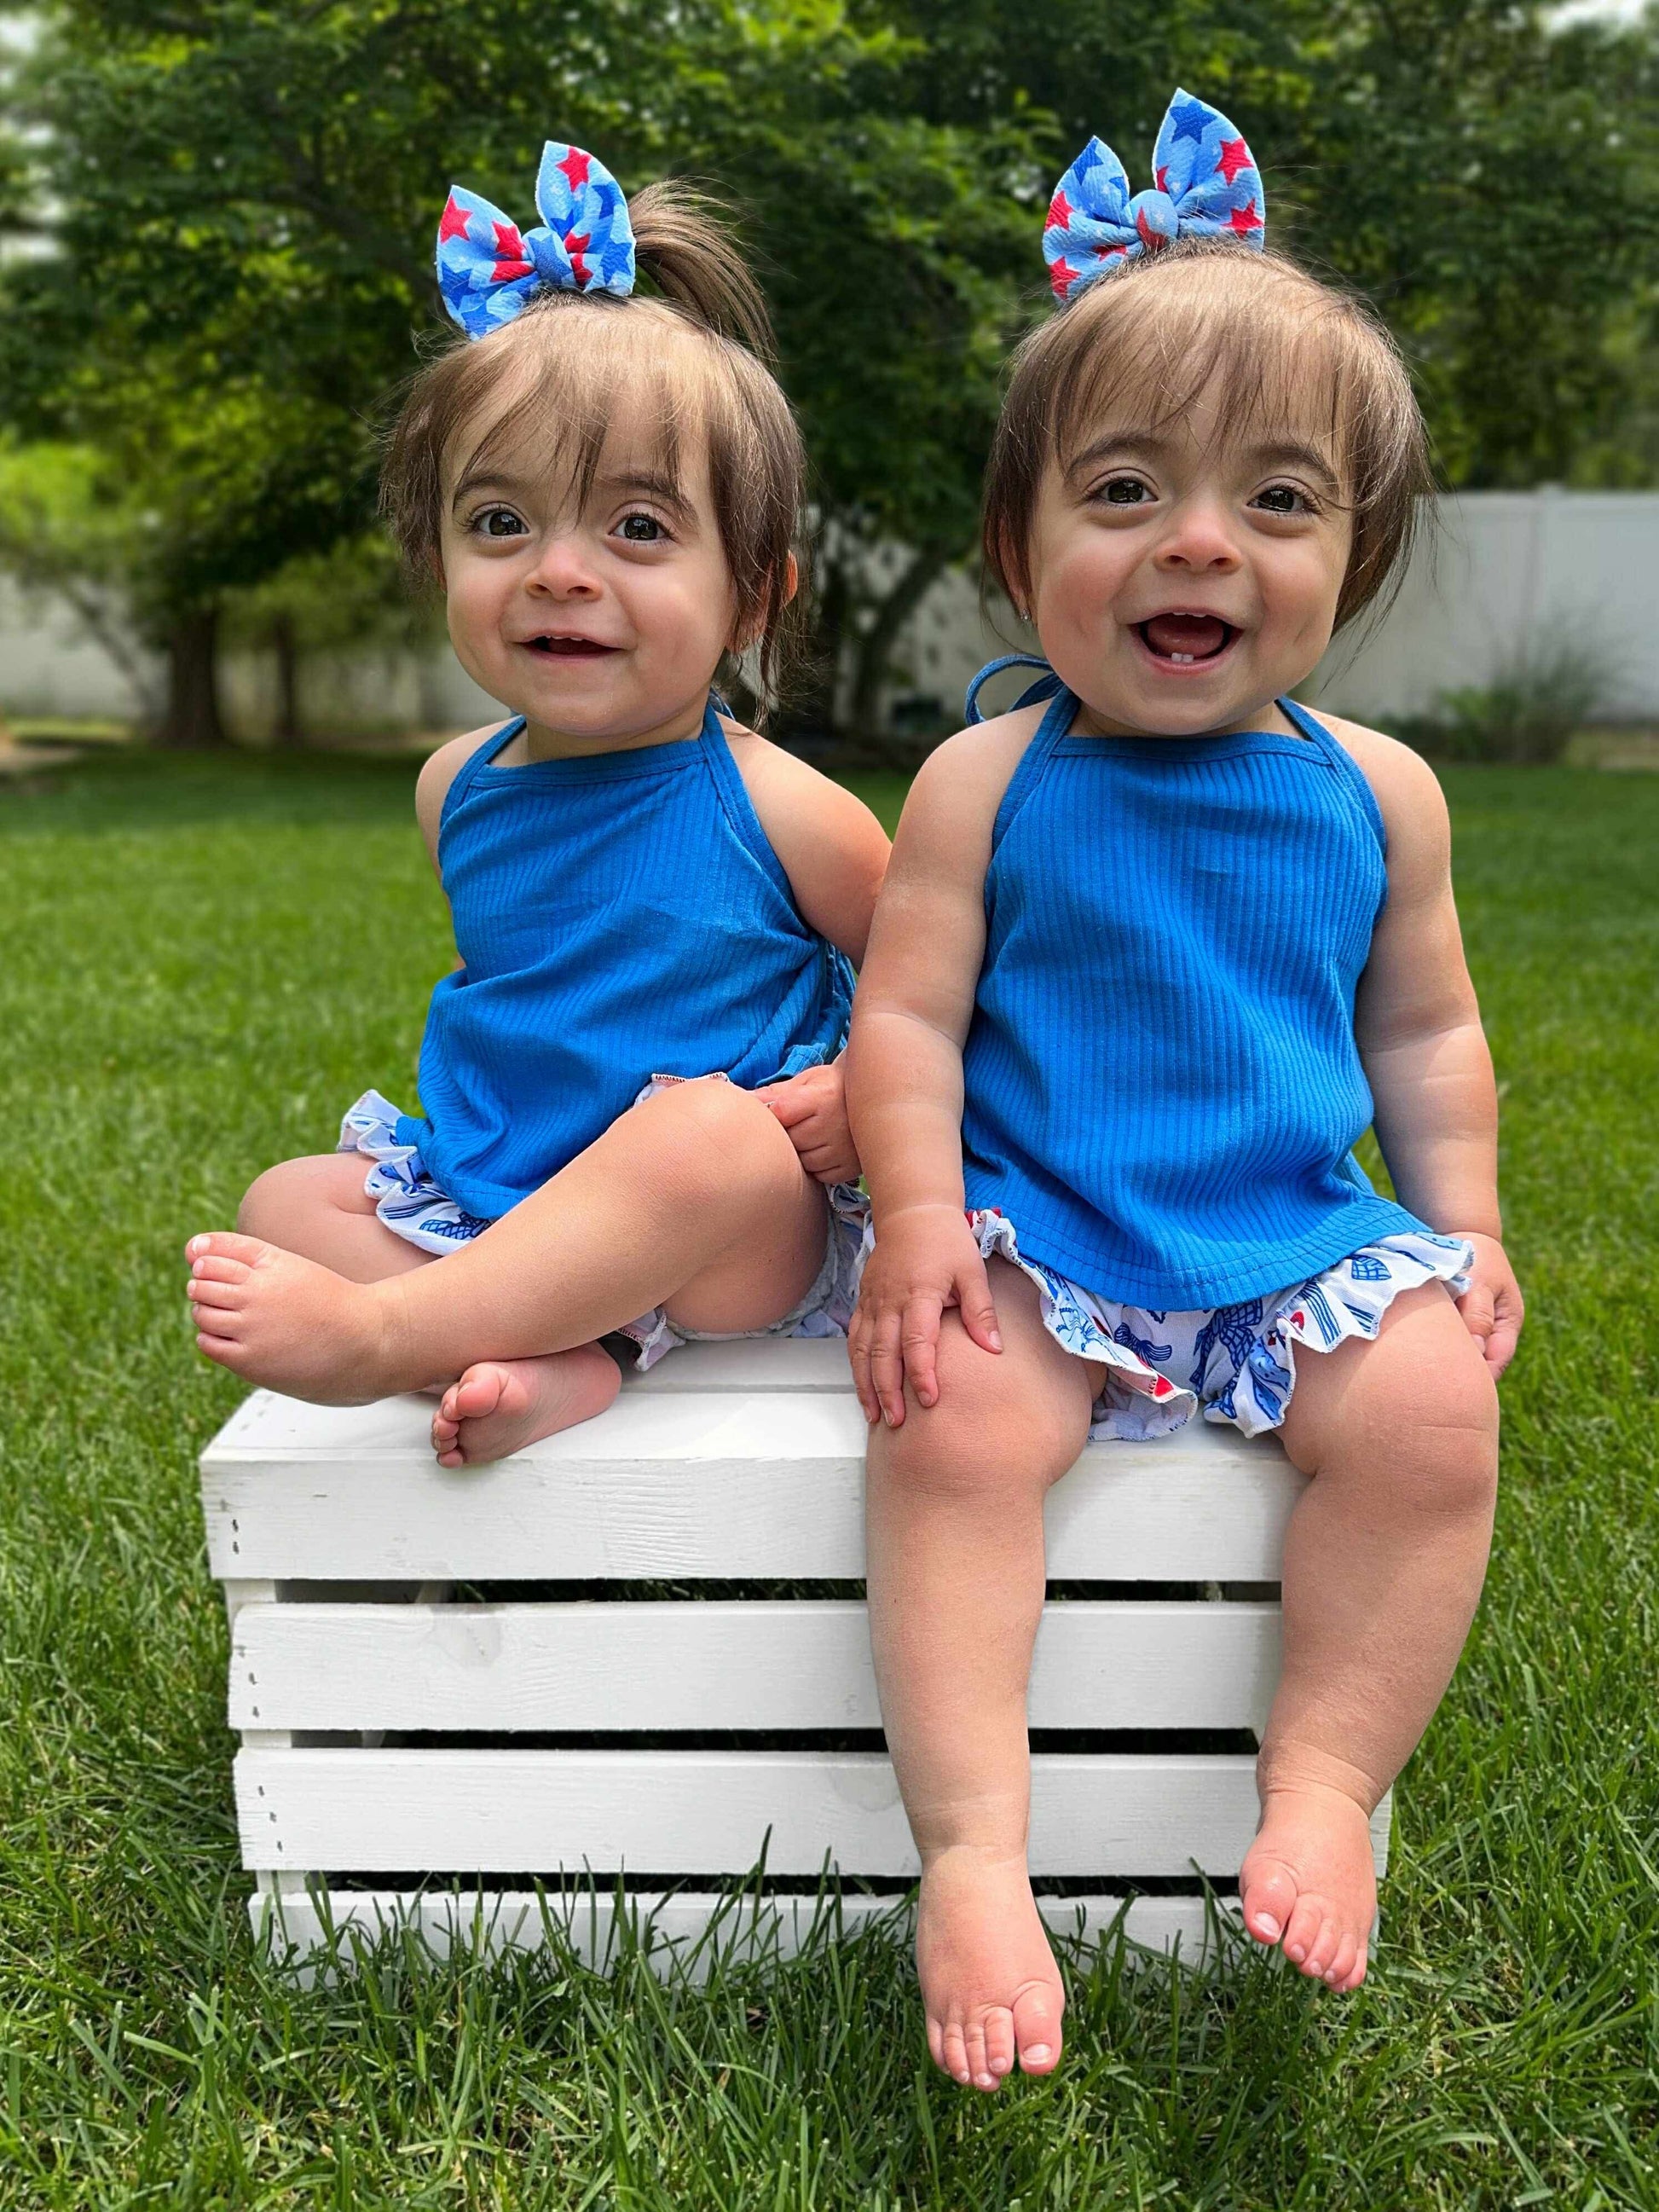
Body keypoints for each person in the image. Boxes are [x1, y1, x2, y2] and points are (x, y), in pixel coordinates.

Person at [845, 92, 1521, 2093]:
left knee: (1430, 1418)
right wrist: (915, 1220)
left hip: (1286, 1234)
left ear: (1350, 558)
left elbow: (1424, 1034)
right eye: (1125, 488)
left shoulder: (1374, 792)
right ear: (1018, 546)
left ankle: (1321, 1775)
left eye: (1276, 500)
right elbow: (906, 1024)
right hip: (1045, 1224)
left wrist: (1461, 1221)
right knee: (952, 1425)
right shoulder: (986, 780)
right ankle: (974, 1850)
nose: (1198, 540)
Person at [185, 142, 888, 1465]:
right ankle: (561, 1347)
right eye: (501, 523)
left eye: (637, 529)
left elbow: (947, 990)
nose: (558, 572)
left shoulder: (784, 808)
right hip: (506, 1189)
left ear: (752, 596)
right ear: (435, 556)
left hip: (724, 1236)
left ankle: (397, 1335)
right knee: (285, 1202)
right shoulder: (455, 786)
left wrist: (858, 1087)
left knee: (704, 1134)